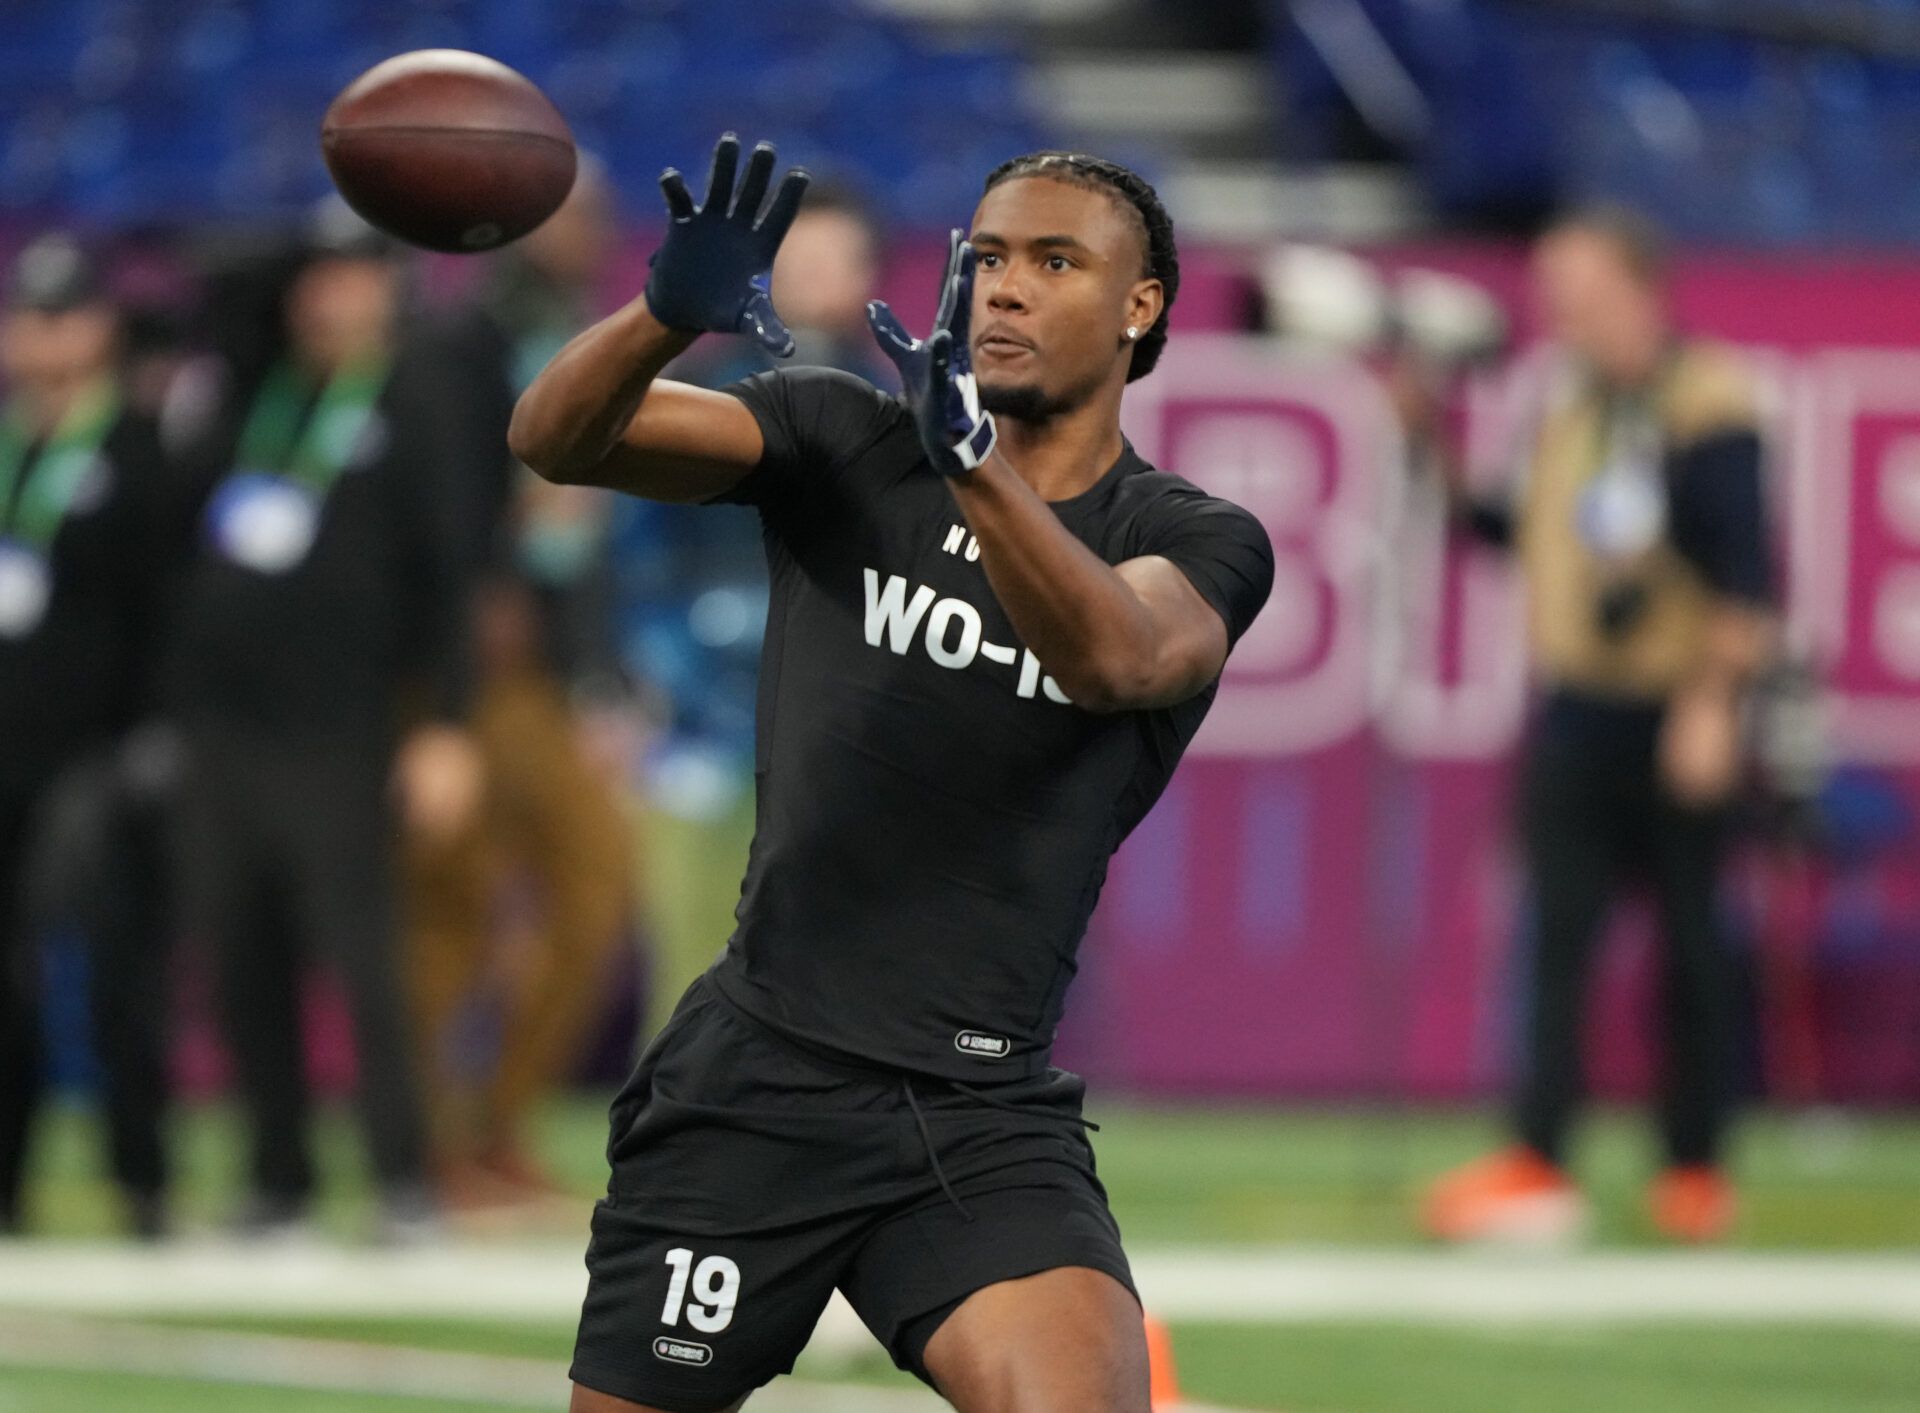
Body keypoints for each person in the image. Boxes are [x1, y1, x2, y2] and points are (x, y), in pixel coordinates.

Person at [512, 136, 1273, 1413]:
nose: (1006, 288)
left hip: (979, 1113)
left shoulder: (1190, 536)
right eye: (986, 258)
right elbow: (558, 439)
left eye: (1054, 260)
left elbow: (1114, 654)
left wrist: (974, 468)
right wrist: (655, 320)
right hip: (759, 1080)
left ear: (1142, 306)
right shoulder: (842, 434)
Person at [1412, 209, 1776, 1245]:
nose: (1552, 302)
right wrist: (1432, 442)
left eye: (1571, 280)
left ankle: (1696, 1166)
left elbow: (1749, 576)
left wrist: (1711, 708)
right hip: (1578, 706)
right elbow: (1507, 532)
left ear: (1636, 284)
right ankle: (1539, 1158)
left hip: (1675, 704)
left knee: (1695, 948)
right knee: (1555, 942)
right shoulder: (1570, 408)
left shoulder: (1709, 405)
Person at [166, 205, 481, 1241]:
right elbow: (215, 289)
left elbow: (450, 577)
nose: (330, 296)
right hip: (224, 727)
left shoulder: (418, 389)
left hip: (341, 726)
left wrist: (446, 724)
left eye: (353, 276)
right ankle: (279, 1179)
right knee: (242, 952)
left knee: (360, 959)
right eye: (315, 278)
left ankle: (403, 1182)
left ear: (390, 286)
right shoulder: (259, 383)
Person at [402, 162, 637, 1205]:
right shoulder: (464, 336)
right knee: (456, 908)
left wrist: (598, 673)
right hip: (475, 669)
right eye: (577, 212)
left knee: (589, 895)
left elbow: (578, 529)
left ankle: (489, 1124)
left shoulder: (580, 327)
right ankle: (433, 1142)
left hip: (548, 668)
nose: (596, 229)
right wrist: (466, 607)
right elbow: (451, 496)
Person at [0, 234, 185, 1237]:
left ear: (102, 327)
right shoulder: (6, 444)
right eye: (30, 316)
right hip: (7, 754)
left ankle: (141, 1182)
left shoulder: (137, 450)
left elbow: (168, 610)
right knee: (5, 985)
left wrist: (150, 740)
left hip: (101, 757)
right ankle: (6, 1187)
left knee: (118, 973)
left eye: (64, 313)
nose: (45, 335)